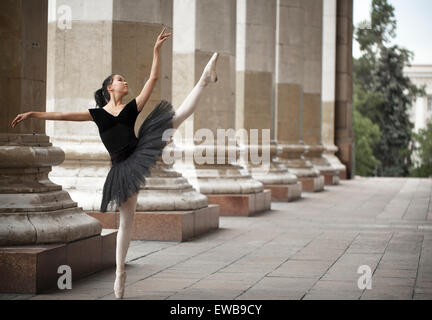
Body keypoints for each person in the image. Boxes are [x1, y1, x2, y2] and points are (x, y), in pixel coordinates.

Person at [11, 27, 219, 299]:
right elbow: (62, 114)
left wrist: (156, 51)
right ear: (110, 87)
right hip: (122, 167)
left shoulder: (132, 107)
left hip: (139, 149)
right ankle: (120, 272)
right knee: (127, 221)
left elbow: (153, 79)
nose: (125, 83)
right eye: (120, 80)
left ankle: (204, 78)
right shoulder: (97, 114)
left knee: (176, 118)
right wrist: (33, 113)